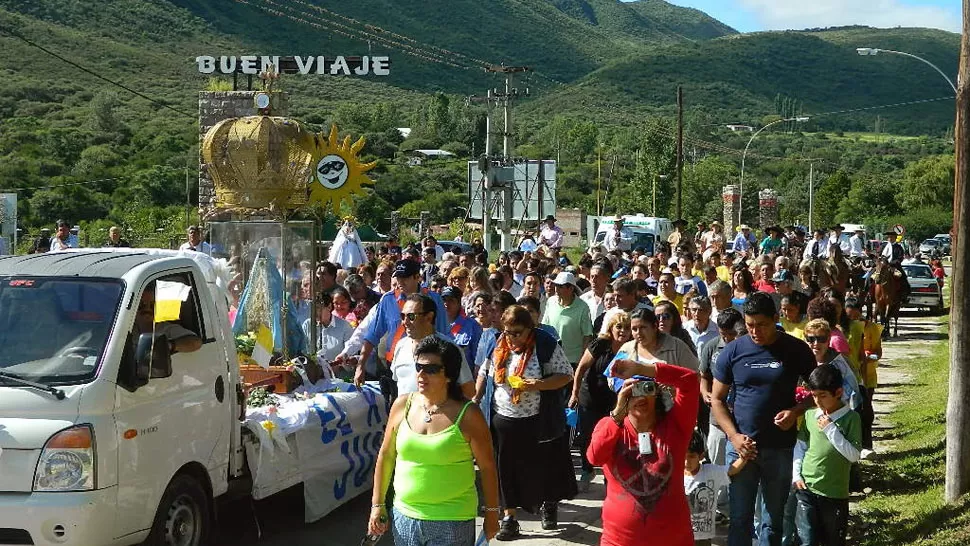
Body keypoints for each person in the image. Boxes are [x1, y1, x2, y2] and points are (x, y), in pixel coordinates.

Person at [368, 336, 500, 545]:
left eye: (430, 369)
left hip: (452, 520)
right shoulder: (402, 405)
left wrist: (492, 513)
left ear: (449, 374)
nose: (420, 375)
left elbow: (487, 467)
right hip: (404, 516)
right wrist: (377, 504)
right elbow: (386, 455)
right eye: (418, 367)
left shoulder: (469, 415)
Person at [587, 307, 701, 546]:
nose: (639, 396)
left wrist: (642, 369)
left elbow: (691, 380)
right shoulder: (610, 425)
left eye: (646, 388)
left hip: (673, 539)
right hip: (619, 540)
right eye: (632, 389)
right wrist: (617, 414)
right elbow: (595, 458)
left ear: (657, 393)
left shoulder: (676, 426)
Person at [711, 292, 816, 546]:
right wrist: (734, 437)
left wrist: (796, 411)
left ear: (776, 318)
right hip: (742, 450)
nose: (755, 331)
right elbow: (716, 400)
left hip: (779, 448)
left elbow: (819, 393)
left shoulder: (796, 349)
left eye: (762, 325)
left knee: (773, 519)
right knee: (739, 518)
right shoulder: (733, 351)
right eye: (749, 325)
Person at [474, 306, 575, 539]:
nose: (512, 337)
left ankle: (549, 503)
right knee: (506, 469)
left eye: (517, 332)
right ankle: (510, 517)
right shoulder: (499, 343)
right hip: (504, 417)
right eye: (508, 331)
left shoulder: (545, 343)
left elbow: (565, 375)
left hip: (538, 419)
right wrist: (476, 398)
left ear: (530, 329)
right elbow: (485, 372)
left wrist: (537, 384)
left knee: (542, 466)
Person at [346, 260, 450, 387]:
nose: (400, 282)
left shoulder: (434, 299)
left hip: (428, 365)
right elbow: (372, 335)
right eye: (398, 277)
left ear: (417, 277)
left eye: (405, 278)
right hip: (394, 366)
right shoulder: (388, 300)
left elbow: (444, 335)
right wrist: (360, 366)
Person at [792, 365, 862, 546]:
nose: (817, 401)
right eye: (814, 396)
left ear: (838, 392)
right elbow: (800, 446)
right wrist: (796, 474)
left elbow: (854, 456)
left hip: (834, 493)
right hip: (806, 487)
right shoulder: (809, 415)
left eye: (823, 396)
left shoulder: (851, 418)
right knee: (806, 539)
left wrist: (831, 430)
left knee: (832, 540)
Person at [568, 311, 630, 492]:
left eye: (626, 328)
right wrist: (575, 393)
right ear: (611, 327)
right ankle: (587, 469)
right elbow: (581, 368)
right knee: (588, 435)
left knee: (612, 439)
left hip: (614, 401)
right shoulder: (600, 343)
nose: (623, 331)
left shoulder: (631, 347)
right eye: (619, 326)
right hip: (590, 396)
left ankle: (609, 476)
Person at [698, 308, 745, 521]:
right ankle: (718, 508)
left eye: (729, 333)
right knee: (716, 463)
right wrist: (705, 392)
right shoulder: (711, 346)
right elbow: (703, 375)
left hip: (741, 419)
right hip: (717, 419)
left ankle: (733, 507)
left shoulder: (746, 346)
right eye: (722, 333)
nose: (725, 338)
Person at [390, 294, 476, 400]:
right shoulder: (400, 346)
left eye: (411, 317)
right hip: (406, 414)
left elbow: (469, 391)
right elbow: (397, 384)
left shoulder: (448, 349)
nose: (405, 322)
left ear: (429, 317)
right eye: (403, 316)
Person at [685, 429, 748, 546]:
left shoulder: (711, 472)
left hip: (704, 537)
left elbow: (731, 470)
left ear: (701, 456)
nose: (686, 461)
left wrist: (744, 457)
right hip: (683, 535)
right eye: (683, 456)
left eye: (691, 456)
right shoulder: (675, 476)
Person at [803, 319, 861, 411]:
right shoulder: (801, 361)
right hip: (808, 412)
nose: (816, 343)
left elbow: (854, 392)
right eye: (811, 339)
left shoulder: (841, 362)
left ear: (829, 339)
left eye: (821, 339)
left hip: (838, 413)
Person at [541, 272, 594, 367]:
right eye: (556, 285)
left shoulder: (583, 307)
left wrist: (582, 359)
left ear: (571, 288)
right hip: (551, 357)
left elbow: (587, 335)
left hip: (573, 360)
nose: (556, 289)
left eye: (561, 286)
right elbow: (544, 326)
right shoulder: (550, 302)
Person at [134, 284, 202, 354]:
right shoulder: (128, 329)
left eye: (153, 305)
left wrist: (169, 345)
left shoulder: (167, 329)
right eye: (141, 304)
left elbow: (196, 342)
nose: (147, 309)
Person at [302, 291, 354, 364]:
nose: (314, 312)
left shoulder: (344, 327)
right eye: (312, 308)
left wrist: (339, 365)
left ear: (329, 307)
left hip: (338, 373)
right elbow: (303, 351)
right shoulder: (307, 325)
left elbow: (351, 355)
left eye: (318, 308)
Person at [441, 287, 482, 370]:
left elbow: (478, 358)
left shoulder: (472, 326)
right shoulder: (436, 324)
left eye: (451, 300)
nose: (446, 303)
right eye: (444, 300)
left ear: (459, 303)